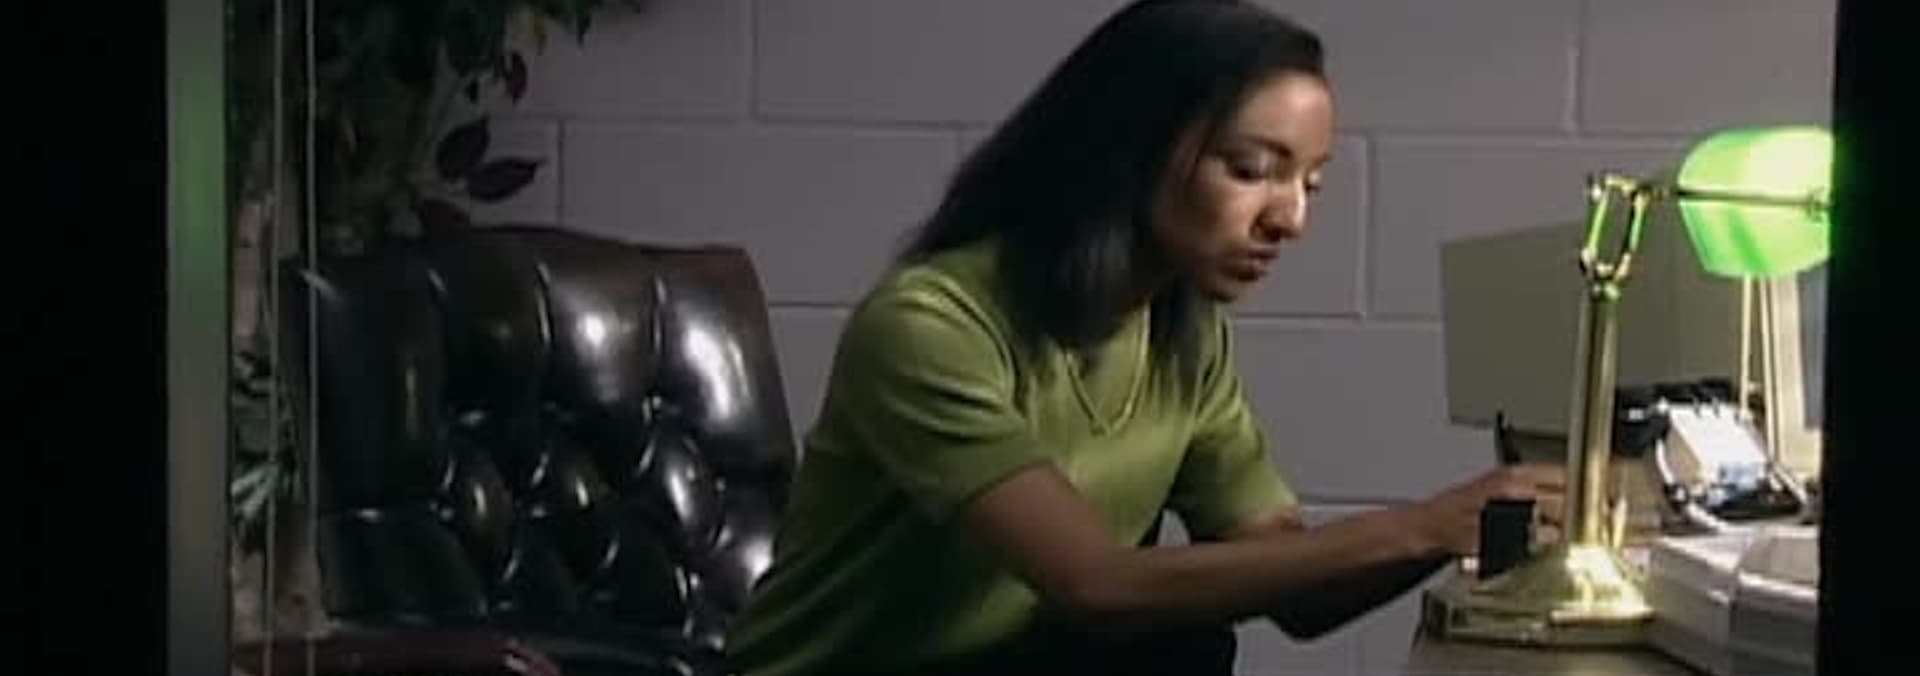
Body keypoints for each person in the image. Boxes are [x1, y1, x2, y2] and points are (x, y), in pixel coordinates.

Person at [724, 1, 1562, 674]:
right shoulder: (931, 326)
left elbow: (1296, 591)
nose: (1292, 219)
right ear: (1130, 149)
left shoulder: (1185, 337)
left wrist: (1474, 523)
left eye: (1310, 182)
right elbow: (1095, 584)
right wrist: (1421, 526)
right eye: (1253, 169)